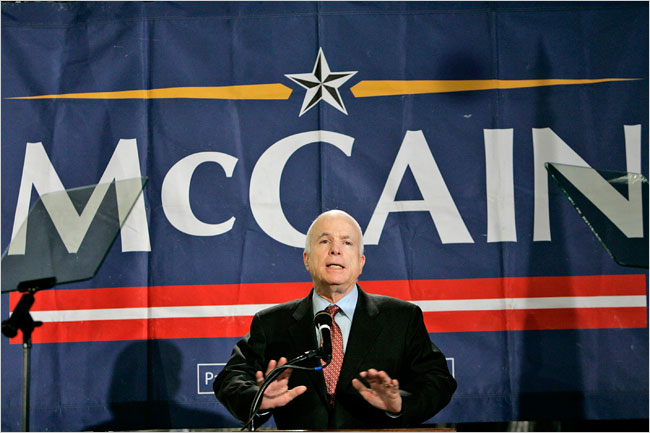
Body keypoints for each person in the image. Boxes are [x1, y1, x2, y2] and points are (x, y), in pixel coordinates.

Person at [213, 210, 456, 429]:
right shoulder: (272, 323)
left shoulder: (401, 318)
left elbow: (439, 380)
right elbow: (230, 378)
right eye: (325, 241)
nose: (335, 250)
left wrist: (399, 403)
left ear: (361, 263)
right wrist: (259, 399)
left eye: (347, 242)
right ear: (306, 259)